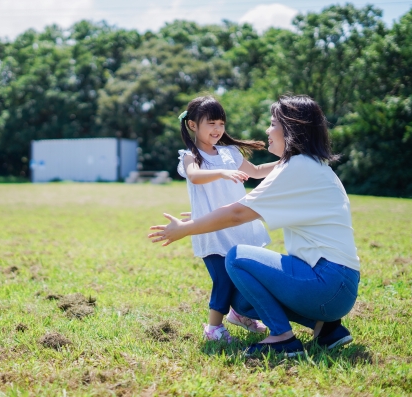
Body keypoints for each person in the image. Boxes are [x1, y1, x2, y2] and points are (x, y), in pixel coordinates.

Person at [149, 95, 360, 357]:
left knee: (236, 257)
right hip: (335, 284)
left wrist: (187, 227)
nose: (267, 131)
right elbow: (239, 205)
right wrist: (203, 215)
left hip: (328, 281)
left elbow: (237, 213)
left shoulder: (297, 167)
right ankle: (325, 327)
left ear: (291, 129)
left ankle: (283, 337)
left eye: (273, 124)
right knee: (241, 300)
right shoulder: (307, 165)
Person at [176, 96, 279, 343]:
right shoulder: (190, 157)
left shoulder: (230, 152)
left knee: (242, 273)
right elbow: (195, 176)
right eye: (211, 123)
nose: (217, 129)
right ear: (192, 125)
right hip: (211, 230)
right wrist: (222, 172)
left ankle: (238, 314)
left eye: (221, 123)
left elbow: (255, 172)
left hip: (238, 226)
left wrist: (287, 163)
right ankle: (213, 328)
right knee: (222, 278)